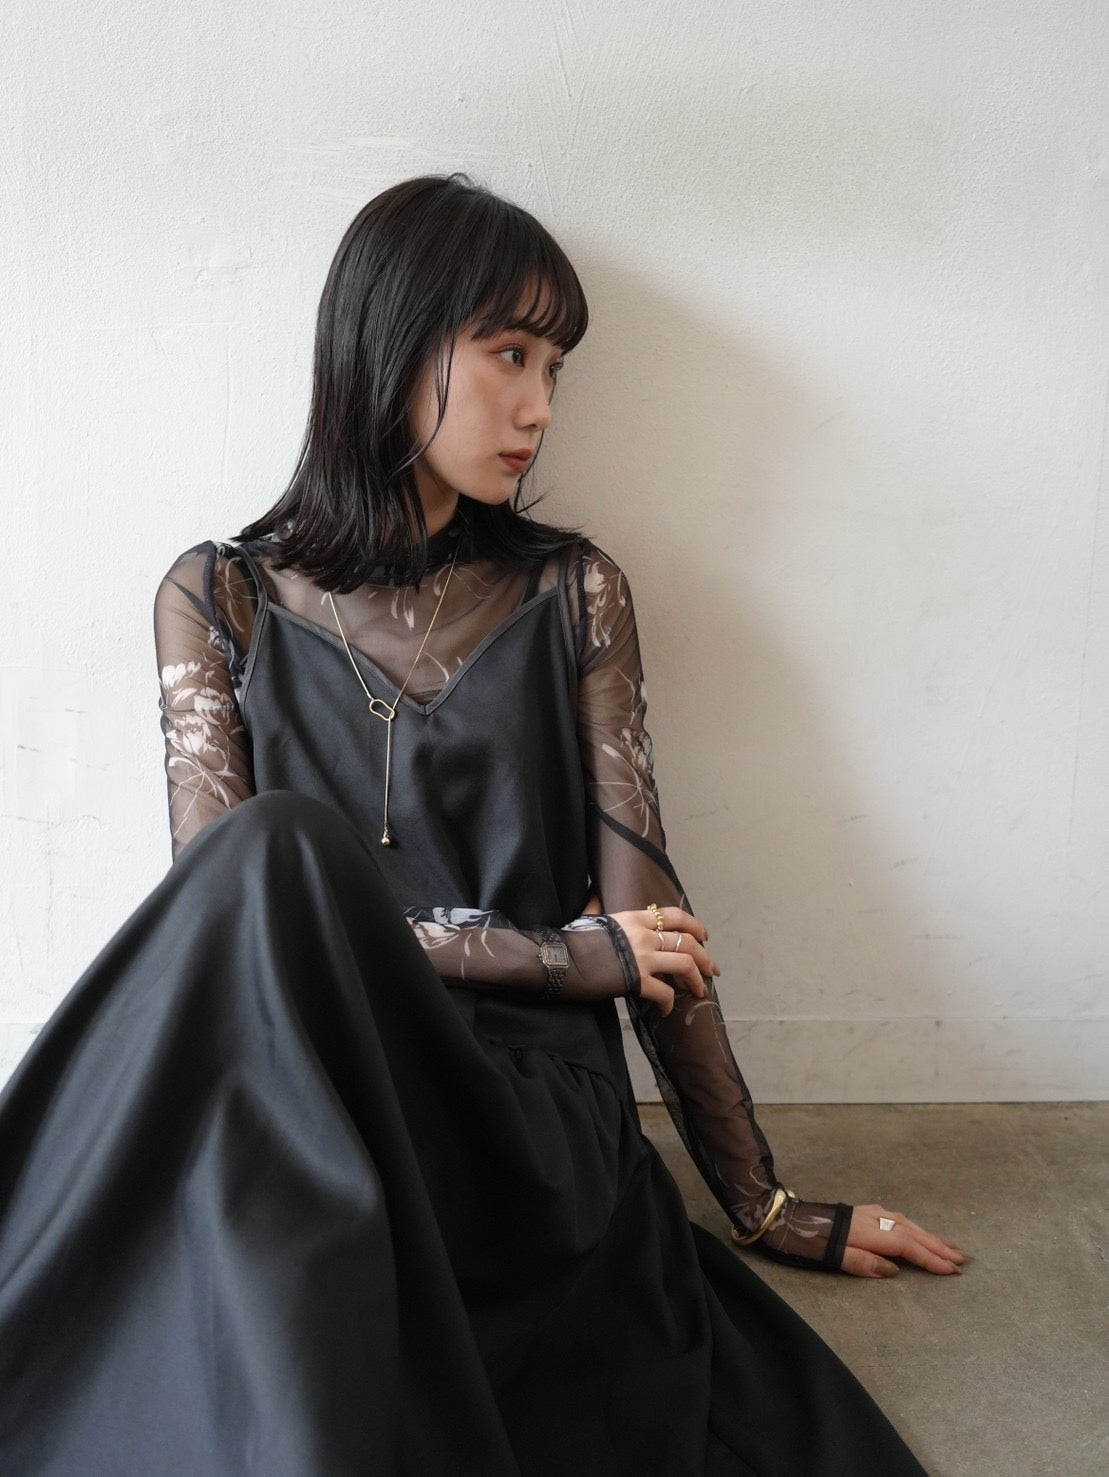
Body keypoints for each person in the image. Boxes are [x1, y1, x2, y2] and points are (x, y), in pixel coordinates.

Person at [0, 174, 966, 1476]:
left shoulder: (574, 593)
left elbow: (655, 935)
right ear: (391, 343)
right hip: (324, 1079)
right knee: (268, 873)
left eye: (553, 367)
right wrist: (564, 954)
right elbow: (224, 932)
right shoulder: (217, 596)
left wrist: (764, 1202)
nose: (539, 407)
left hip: (518, 1113)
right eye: (509, 353)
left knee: (273, 912)